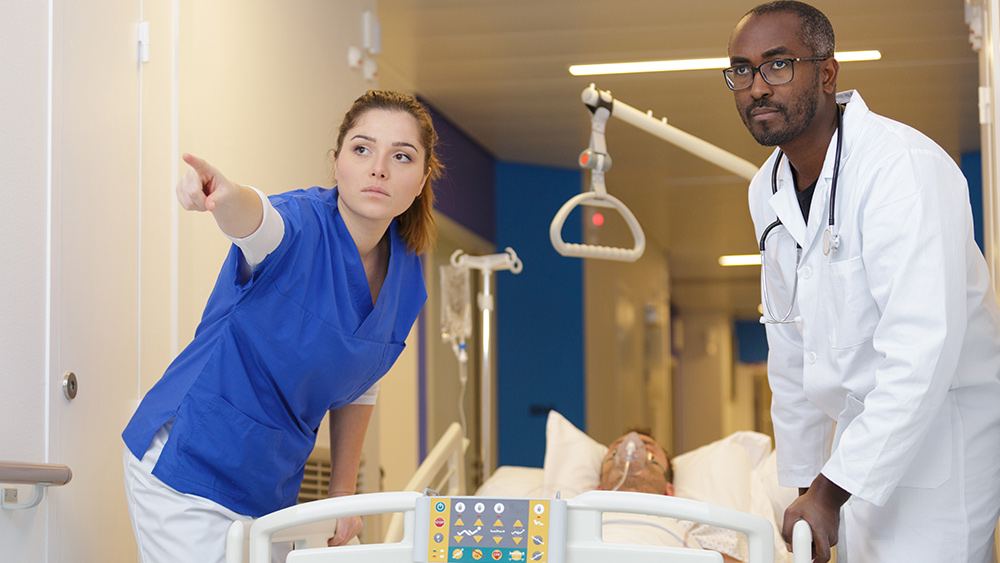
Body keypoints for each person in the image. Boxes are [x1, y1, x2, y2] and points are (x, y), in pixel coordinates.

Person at [726, 2, 1000, 562]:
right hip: (852, 448)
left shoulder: (902, 168)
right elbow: (790, 350)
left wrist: (828, 492)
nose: (757, 87)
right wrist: (806, 489)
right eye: (742, 70)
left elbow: (922, 351)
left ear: (827, 72)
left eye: (778, 64)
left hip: (939, 438)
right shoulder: (766, 190)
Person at [121, 90, 442, 563]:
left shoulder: (407, 272)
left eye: (401, 156)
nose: (379, 169)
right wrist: (223, 196)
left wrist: (342, 493)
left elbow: (361, 379)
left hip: (268, 487)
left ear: (422, 178)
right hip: (187, 462)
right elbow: (256, 221)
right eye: (362, 149)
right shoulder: (299, 225)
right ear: (337, 162)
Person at [598, 429, 746, 563]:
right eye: (616, 451)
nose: (633, 451)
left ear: (668, 491)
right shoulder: (585, 515)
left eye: (648, 450)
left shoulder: (693, 521)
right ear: (598, 489)